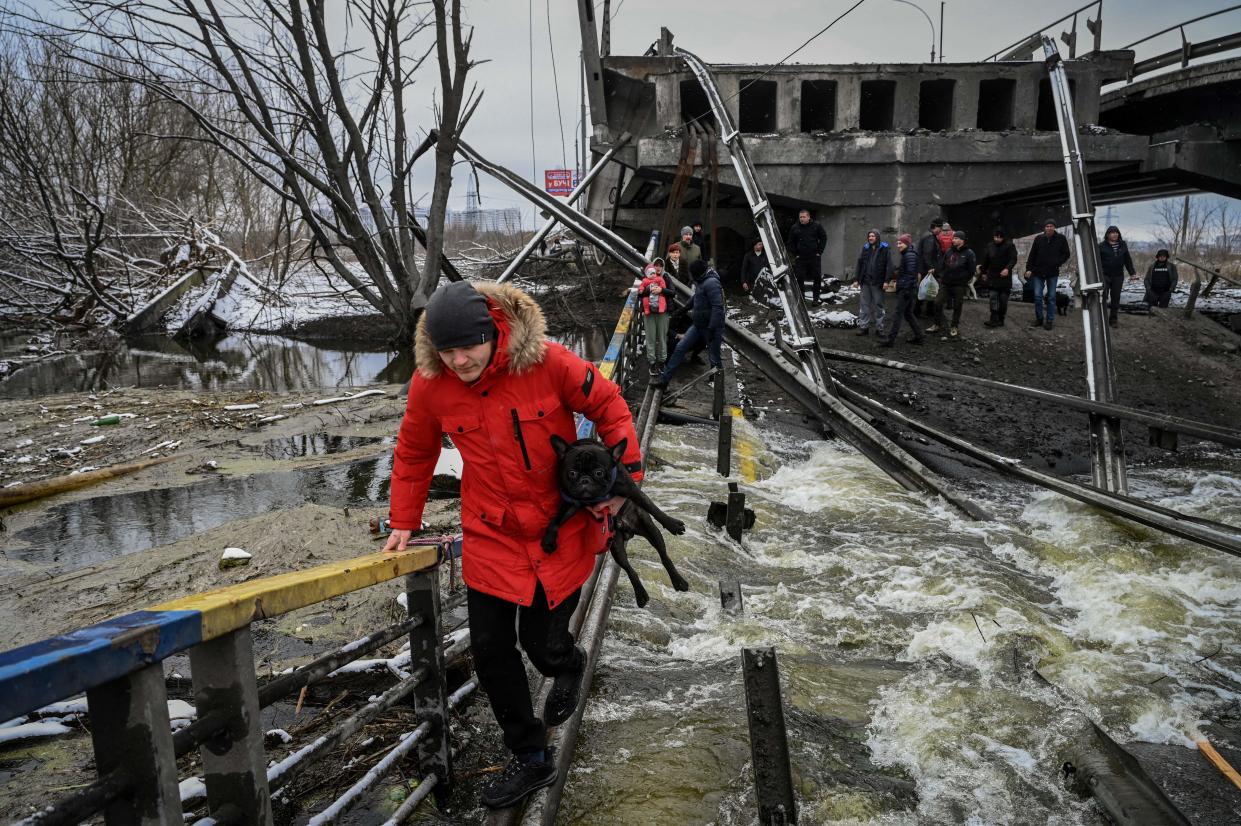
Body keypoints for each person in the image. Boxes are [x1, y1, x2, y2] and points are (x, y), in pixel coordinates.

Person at [385, 281, 642, 809]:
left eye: (468, 348)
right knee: (491, 651)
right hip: (491, 534)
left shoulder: (548, 363)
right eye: (447, 351)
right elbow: (414, 450)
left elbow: (611, 407)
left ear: (493, 333)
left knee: (542, 648)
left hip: (559, 531)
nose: (458, 361)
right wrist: (403, 519)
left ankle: (567, 664)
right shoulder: (431, 385)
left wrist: (623, 486)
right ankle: (529, 757)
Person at [655, 258, 724, 386]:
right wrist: (680, 311)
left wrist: (712, 328)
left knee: (714, 358)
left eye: (692, 275)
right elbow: (696, 298)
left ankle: (718, 387)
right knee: (680, 348)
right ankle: (664, 381)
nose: (691, 277)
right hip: (698, 325)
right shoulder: (702, 281)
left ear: (697, 274)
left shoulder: (711, 283)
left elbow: (717, 307)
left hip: (710, 327)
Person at [1023, 219, 1071, 330]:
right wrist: (1029, 269)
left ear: (1054, 227)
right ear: (1044, 228)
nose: (1049, 228)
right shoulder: (1039, 239)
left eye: (1051, 226)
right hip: (1038, 272)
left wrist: (1057, 262)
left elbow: (1066, 254)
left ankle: (1049, 320)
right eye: (1047, 226)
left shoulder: (1061, 239)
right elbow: (1032, 255)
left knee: (1051, 297)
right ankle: (1039, 319)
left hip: (1052, 272)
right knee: (1038, 296)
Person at [927, 231, 976, 339]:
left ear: (962, 240)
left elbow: (971, 270)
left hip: (959, 285)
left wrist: (963, 280)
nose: (953, 240)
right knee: (937, 302)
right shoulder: (949, 251)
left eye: (956, 238)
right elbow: (942, 264)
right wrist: (937, 272)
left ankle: (954, 326)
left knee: (957, 306)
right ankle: (937, 324)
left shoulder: (969, 253)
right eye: (953, 238)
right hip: (946, 283)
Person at [880, 234, 924, 347]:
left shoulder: (909, 256)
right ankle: (919, 336)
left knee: (898, 314)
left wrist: (904, 288)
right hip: (909, 289)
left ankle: (890, 340)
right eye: (898, 243)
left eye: (901, 243)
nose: (898, 245)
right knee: (908, 314)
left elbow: (910, 275)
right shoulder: (908, 255)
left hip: (906, 290)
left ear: (907, 244)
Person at [1097, 225, 1136, 327]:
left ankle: (1113, 320)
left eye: (1116, 232)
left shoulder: (1123, 245)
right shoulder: (1101, 246)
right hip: (1105, 275)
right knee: (1103, 296)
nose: (1115, 234)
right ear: (1108, 234)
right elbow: (1097, 261)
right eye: (1112, 232)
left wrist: (1132, 273)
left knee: (1116, 298)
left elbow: (1127, 259)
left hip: (1118, 276)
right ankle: (1102, 318)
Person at [979, 228, 1018, 327]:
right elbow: (986, 260)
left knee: (1003, 300)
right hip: (992, 276)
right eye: (996, 237)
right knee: (992, 297)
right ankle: (993, 318)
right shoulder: (990, 246)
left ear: (1003, 237)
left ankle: (1001, 318)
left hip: (1004, 277)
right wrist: (983, 272)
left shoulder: (1009, 246)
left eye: (1000, 237)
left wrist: (1007, 269)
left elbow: (1013, 259)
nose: (997, 239)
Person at [787, 208, 827, 303]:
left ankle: (815, 300)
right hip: (801, 257)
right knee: (800, 277)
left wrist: (819, 251)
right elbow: (790, 242)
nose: (802, 219)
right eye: (800, 217)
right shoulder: (795, 227)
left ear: (808, 217)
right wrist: (795, 254)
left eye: (804, 217)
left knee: (817, 277)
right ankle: (802, 299)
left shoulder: (816, 225)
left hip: (814, 256)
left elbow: (823, 237)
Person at [854, 229, 889, 336]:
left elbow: (889, 265)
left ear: (877, 237)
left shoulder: (884, 249)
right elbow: (859, 264)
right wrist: (857, 279)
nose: (870, 238)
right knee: (864, 305)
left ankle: (880, 328)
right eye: (869, 236)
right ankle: (864, 327)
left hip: (878, 282)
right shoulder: (865, 249)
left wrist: (887, 280)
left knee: (879, 306)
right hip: (865, 282)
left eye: (873, 236)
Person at [638, 262, 670, 374]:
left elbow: (672, 293)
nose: (658, 268)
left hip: (662, 312)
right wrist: (648, 289)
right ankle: (652, 363)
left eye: (660, 266)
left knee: (662, 338)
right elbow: (640, 294)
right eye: (656, 266)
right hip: (649, 313)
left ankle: (662, 361)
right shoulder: (645, 281)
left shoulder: (664, 278)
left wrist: (661, 290)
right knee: (650, 338)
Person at [916, 218, 944, 317]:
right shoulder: (929, 237)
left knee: (924, 289)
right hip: (927, 269)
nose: (941, 231)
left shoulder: (929, 236)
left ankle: (922, 311)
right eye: (940, 228)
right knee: (927, 289)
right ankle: (921, 311)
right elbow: (927, 254)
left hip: (925, 268)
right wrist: (931, 267)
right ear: (935, 227)